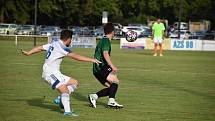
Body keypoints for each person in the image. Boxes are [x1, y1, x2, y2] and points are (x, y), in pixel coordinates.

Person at [21, 30, 101, 116]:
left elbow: (40, 48)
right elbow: (76, 56)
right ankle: (67, 112)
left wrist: (29, 53)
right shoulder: (62, 47)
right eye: (71, 39)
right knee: (64, 90)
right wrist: (91, 59)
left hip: (55, 73)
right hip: (50, 73)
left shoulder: (54, 43)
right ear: (69, 39)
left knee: (74, 83)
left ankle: (60, 99)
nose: (71, 41)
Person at [88, 22, 123, 108]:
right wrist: (112, 66)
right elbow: (105, 53)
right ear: (112, 32)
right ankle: (111, 101)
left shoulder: (103, 40)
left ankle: (94, 96)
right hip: (101, 67)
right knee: (115, 81)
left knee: (112, 87)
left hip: (96, 69)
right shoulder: (106, 40)